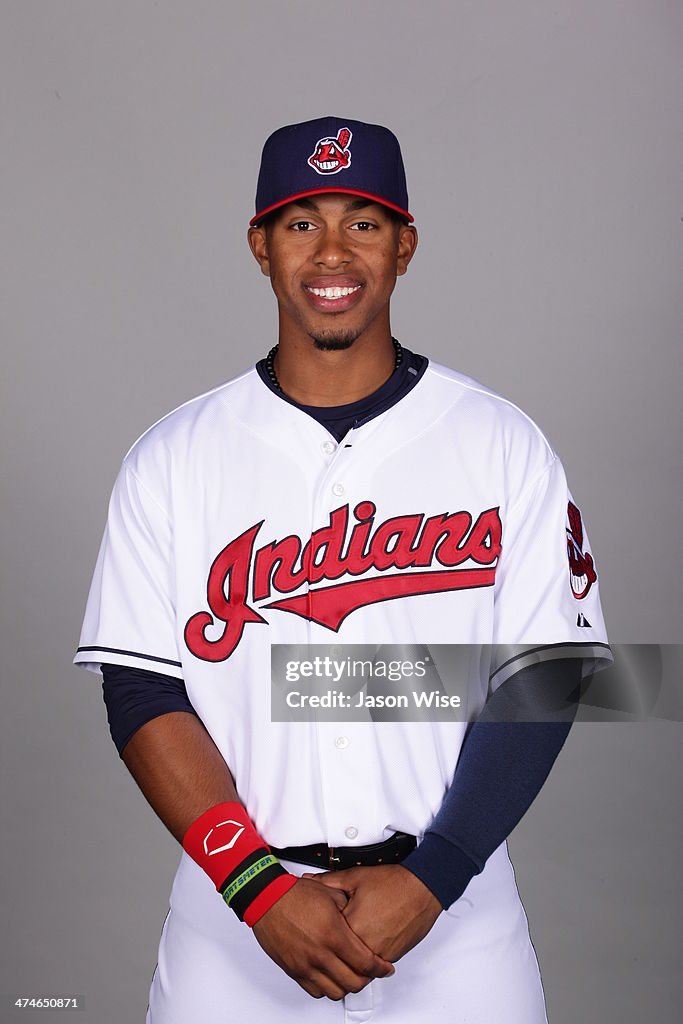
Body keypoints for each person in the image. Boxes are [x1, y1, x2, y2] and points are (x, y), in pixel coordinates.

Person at [75, 116, 611, 1023]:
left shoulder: (499, 442)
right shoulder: (170, 457)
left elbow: (544, 678)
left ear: (405, 245)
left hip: (456, 924)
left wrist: (435, 876)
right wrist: (256, 891)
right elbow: (141, 691)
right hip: (236, 924)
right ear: (259, 245)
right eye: (300, 222)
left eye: (362, 222)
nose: (333, 252)